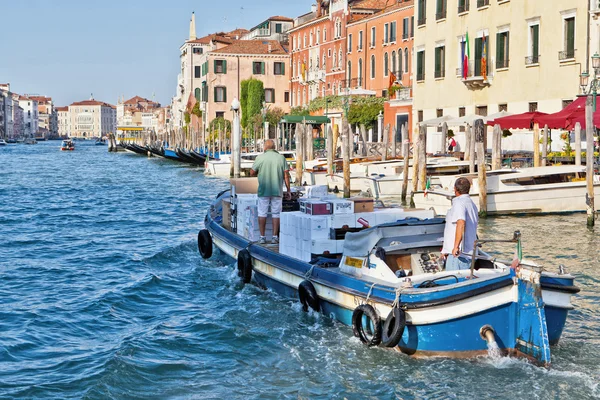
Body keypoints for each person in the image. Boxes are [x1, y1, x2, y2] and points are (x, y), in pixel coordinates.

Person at [250, 139, 291, 245]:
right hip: (277, 190)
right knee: (276, 213)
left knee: (262, 212)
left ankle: (262, 237)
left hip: (263, 190)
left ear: (265, 147)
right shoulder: (281, 158)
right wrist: (288, 190)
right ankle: (274, 237)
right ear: (274, 147)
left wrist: (260, 172)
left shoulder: (260, 158)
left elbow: (252, 172)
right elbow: (286, 175)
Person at [441, 177, 479, 270]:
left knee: (452, 281)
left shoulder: (459, 202)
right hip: (469, 253)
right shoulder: (471, 204)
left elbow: (461, 223)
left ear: (455, 189)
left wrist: (456, 247)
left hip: (458, 255)